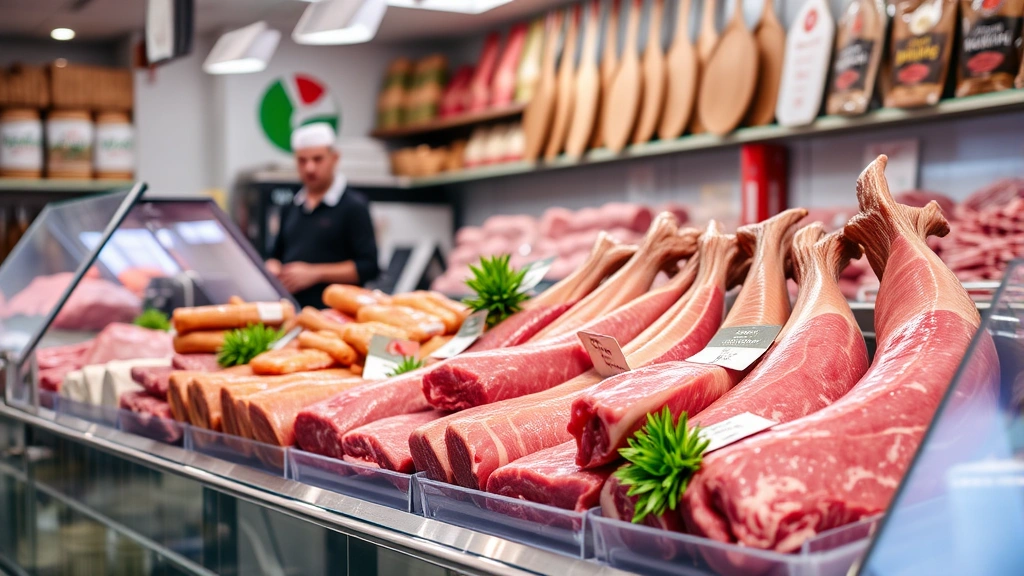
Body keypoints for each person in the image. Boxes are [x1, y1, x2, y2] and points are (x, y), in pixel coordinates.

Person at [266, 123, 380, 308]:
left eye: (317, 159)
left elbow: (368, 267)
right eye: (302, 161)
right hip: (293, 312)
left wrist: (315, 273)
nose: (310, 168)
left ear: (334, 158)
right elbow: (275, 254)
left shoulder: (353, 206)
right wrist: (273, 267)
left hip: (338, 316)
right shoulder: (291, 206)